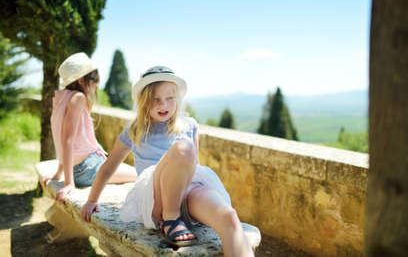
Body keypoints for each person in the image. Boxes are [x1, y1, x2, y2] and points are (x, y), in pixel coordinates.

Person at [81, 66, 254, 256]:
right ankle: (170, 217)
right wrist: (91, 200)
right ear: (144, 101)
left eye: (169, 98)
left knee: (229, 218)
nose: (163, 105)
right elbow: (108, 168)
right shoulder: (135, 130)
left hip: (188, 192)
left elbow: (192, 168)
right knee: (183, 149)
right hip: (156, 198)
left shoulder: (190, 126)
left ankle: (181, 217)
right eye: (155, 99)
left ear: (177, 99)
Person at [42, 52, 137, 203]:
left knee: (135, 170)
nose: (97, 84)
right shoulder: (78, 98)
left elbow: (61, 137)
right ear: (81, 80)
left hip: (80, 168)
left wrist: (59, 173)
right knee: (141, 173)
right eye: (94, 79)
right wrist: (68, 183)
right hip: (86, 168)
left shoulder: (61, 97)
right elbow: (67, 141)